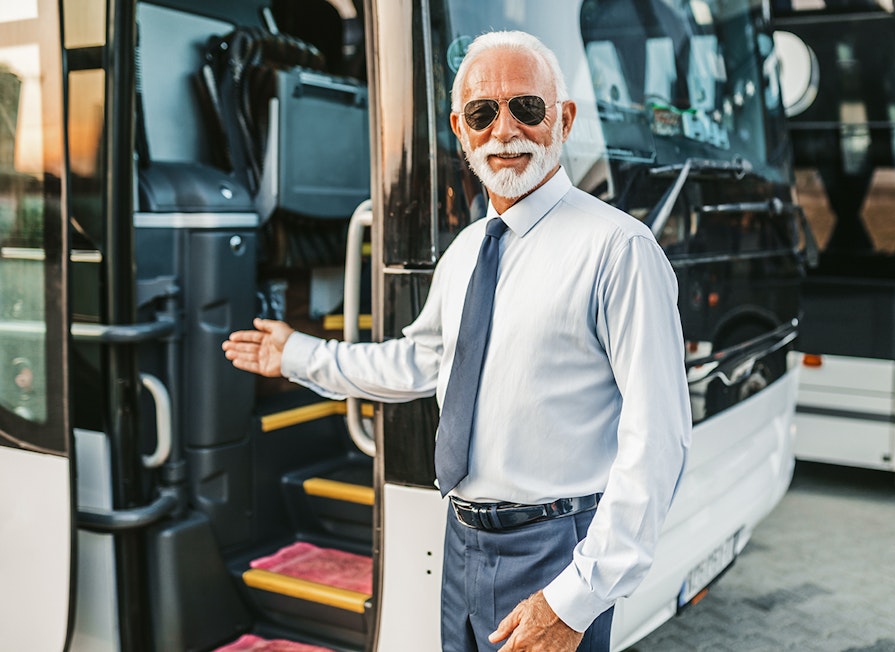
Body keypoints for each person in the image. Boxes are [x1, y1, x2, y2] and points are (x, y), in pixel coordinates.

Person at [223, 30, 691, 652]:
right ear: (459, 129)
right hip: (462, 542)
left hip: (555, 550)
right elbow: (423, 360)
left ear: (565, 117)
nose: (505, 130)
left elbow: (657, 438)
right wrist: (300, 354)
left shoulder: (619, 249)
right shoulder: (468, 250)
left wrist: (577, 597)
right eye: (482, 112)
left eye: (527, 107)